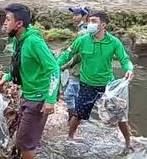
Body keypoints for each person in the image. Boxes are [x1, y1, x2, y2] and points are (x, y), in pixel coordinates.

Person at [57, 11, 134, 149]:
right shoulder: (82, 40)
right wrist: (54, 67)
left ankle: (128, 142)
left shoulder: (113, 42)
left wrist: (129, 69)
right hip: (87, 84)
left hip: (108, 86)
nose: (89, 24)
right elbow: (66, 55)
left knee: (120, 115)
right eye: (89, 21)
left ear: (103, 24)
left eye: (93, 21)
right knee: (79, 114)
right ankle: (70, 137)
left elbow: (125, 59)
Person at [0, 3, 60, 159]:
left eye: (8, 19)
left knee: (24, 145)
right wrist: (8, 77)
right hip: (27, 95)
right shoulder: (19, 40)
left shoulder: (34, 42)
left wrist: (50, 100)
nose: (4, 23)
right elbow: (22, 64)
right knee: (22, 140)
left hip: (38, 99)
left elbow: (54, 69)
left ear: (19, 24)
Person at [61, 6, 91, 122]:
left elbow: (77, 55)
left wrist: (63, 66)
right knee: (78, 96)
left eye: (76, 15)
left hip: (78, 70)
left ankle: (73, 120)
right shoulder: (84, 30)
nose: (73, 17)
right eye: (73, 14)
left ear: (84, 16)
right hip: (84, 70)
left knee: (69, 95)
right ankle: (78, 120)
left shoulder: (83, 32)